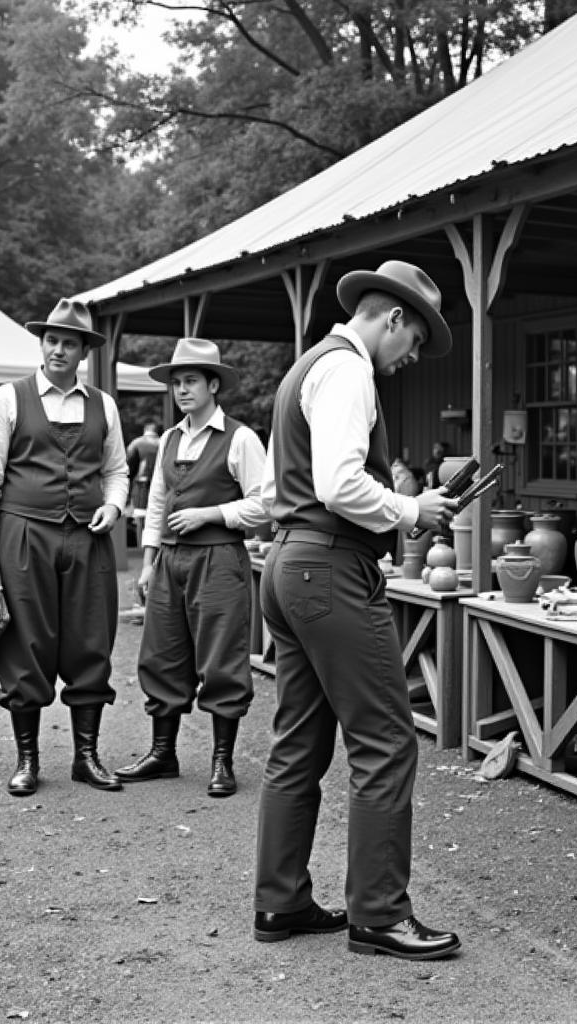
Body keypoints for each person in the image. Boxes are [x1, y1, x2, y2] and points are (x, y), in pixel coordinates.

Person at [253, 260, 461, 960]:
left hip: (290, 562)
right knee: (386, 740)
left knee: (299, 743)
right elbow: (340, 482)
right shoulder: (348, 370)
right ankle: (378, 914)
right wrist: (410, 508)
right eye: (413, 343)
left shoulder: (307, 365)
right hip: (328, 567)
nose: (409, 361)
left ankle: (279, 902)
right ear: (394, 318)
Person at [0, 297, 129, 797]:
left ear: (84, 351)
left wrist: (115, 506)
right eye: (52, 340)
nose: (59, 349)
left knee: (90, 640)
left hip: (88, 537)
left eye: (70, 343)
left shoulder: (103, 404)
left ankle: (86, 756)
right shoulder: (8, 399)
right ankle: (28, 759)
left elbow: (116, 470)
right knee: (24, 642)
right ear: (41, 344)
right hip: (23, 536)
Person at [116, 338, 267, 797]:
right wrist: (147, 563)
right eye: (176, 382)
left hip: (219, 558)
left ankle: (223, 761)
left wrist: (212, 514)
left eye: (190, 381)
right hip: (169, 561)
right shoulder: (167, 439)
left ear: (213, 384)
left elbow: (266, 505)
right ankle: (164, 753)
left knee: (222, 657)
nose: (181, 390)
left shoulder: (240, 438)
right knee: (162, 654)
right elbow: (157, 502)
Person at [126, 421, 160, 511]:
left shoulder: (136, 443)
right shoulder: (164, 442)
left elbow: (128, 467)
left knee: (140, 515)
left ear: (145, 430)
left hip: (141, 486)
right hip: (160, 486)